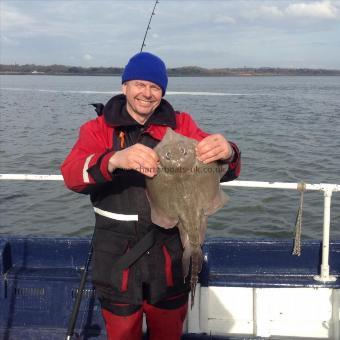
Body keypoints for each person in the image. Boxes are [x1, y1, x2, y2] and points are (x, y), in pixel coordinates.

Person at [61, 52, 241, 340]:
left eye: (155, 87)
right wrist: (113, 160)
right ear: (124, 87)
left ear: (163, 92)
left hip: (167, 253)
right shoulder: (98, 129)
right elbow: (71, 175)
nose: (147, 93)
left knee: (168, 332)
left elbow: (226, 168)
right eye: (139, 84)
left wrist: (228, 151)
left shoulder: (181, 125)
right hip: (117, 257)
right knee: (123, 333)